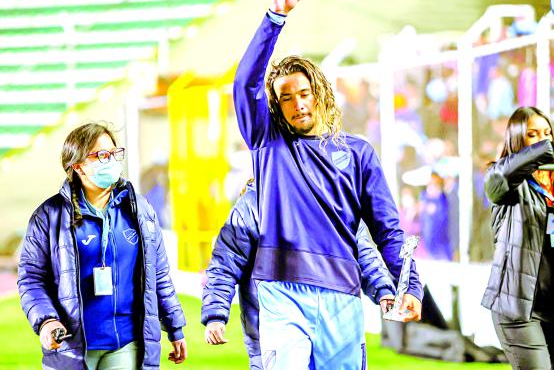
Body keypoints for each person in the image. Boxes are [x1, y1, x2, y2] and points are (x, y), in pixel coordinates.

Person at [233, 0, 423, 368]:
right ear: (276, 106)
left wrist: (411, 287)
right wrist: (275, 17)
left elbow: (388, 230)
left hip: (342, 296)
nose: (297, 103)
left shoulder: (357, 154)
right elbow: (244, 82)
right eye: (286, 98)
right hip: (281, 292)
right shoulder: (268, 143)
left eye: (304, 93)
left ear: (318, 94)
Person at [17, 123, 187, 369]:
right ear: (76, 165)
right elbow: (32, 278)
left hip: (127, 344)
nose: (111, 161)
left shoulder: (140, 210)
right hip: (71, 346)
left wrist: (175, 326)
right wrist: (46, 321)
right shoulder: (49, 216)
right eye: (101, 155)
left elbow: (158, 274)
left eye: (114, 153)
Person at [201, 180, 397, 369]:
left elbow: (361, 251)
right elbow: (225, 263)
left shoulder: (337, 197)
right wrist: (215, 315)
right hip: (273, 328)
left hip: (335, 325)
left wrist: (383, 289)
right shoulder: (254, 204)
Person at [481, 107, 554, 370]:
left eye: (547, 133)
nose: (543, 139)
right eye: (533, 135)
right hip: (518, 307)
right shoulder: (507, 181)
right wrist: (553, 146)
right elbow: (497, 179)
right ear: (517, 140)